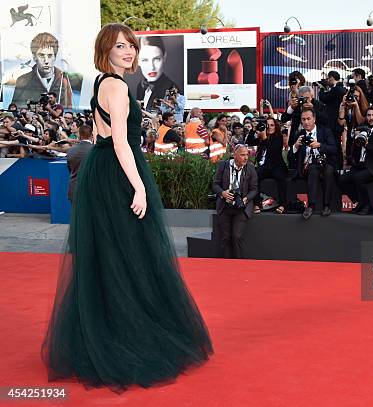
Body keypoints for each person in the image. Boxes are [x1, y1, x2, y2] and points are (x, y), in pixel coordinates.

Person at [41, 23, 213, 392]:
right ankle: (128, 339)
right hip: (119, 173)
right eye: (121, 46)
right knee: (130, 254)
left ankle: (103, 335)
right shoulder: (117, 86)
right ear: (106, 48)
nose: (129, 51)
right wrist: (140, 187)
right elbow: (120, 143)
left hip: (102, 172)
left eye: (131, 45)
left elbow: (99, 135)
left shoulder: (103, 83)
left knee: (110, 256)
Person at [289, 108, 338, 220]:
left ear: (314, 119)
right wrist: (296, 146)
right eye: (303, 119)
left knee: (329, 170)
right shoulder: (298, 134)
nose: (306, 122)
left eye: (308, 119)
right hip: (308, 166)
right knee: (313, 169)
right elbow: (290, 158)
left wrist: (319, 145)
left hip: (324, 163)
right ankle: (311, 205)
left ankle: (326, 205)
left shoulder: (325, 131)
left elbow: (334, 149)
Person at [338, 106, 373, 215]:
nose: (371, 118)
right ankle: (359, 201)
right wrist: (355, 140)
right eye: (369, 115)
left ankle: (367, 205)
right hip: (359, 165)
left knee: (358, 178)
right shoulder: (361, 129)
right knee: (341, 179)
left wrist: (366, 144)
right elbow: (353, 151)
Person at [212, 144, 258, 257]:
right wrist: (223, 193)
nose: (246, 158)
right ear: (234, 155)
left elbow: (254, 189)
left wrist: (247, 198)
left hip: (242, 207)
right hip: (225, 206)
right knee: (225, 238)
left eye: (247, 155)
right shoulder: (224, 165)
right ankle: (226, 266)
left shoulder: (250, 167)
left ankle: (238, 265)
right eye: (242, 155)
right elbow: (215, 184)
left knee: (236, 236)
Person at [11, 32, 74, 108]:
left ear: (55, 57)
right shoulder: (23, 80)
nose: (46, 61)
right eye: (41, 55)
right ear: (34, 57)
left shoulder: (63, 81)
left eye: (50, 55)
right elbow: (14, 109)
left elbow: (69, 111)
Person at [253, 117, 288, 214]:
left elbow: (273, 152)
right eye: (267, 125)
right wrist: (254, 130)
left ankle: (283, 204)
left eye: (272, 125)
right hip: (265, 167)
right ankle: (257, 203)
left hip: (277, 165)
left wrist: (264, 138)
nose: (270, 127)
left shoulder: (279, 137)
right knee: (254, 176)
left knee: (281, 178)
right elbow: (249, 141)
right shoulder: (261, 135)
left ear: (276, 126)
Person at [136, 36, 179, 111]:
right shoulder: (141, 85)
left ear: (164, 57)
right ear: (137, 61)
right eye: (145, 60)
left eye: (156, 59)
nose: (151, 67)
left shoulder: (172, 89)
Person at [66, 125, 94, 202]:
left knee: (75, 213)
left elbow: (70, 169)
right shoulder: (95, 150)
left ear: (79, 135)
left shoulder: (71, 150)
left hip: (74, 189)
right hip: (91, 190)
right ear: (92, 135)